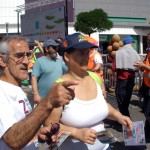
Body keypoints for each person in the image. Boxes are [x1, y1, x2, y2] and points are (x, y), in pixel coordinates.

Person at [44, 33, 132, 150]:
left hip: (105, 147)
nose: (86, 57)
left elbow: (101, 105)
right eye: (81, 53)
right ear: (67, 56)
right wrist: (76, 133)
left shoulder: (95, 77)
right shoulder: (60, 87)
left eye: (87, 53)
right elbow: (49, 125)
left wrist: (118, 115)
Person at [0, 35, 78, 150]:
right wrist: (48, 101)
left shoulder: (16, 88)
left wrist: (37, 134)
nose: (26, 61)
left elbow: (19, 129)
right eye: (19, 55)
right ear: (2, 60)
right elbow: (13, 140)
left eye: (28, 55)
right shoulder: (2, 91)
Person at [32, 39, 68, 104]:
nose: (56, 50)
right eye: (54, 47)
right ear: (46, 49)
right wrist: (36, 95)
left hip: (57, 99)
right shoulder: (39, 62)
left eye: (57, 48)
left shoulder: (59, 61)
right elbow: (34, 78)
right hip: (42, 100)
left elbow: (69, 71)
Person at [113, 36, 141, 118]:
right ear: (131, 43)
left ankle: (126, 119)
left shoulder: (118, 52)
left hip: (122, 80)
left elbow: (114, 68)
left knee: (121, 100)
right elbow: (139, 65)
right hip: (131, 79)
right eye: (133, 43)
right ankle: (125, 118)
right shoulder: (135, 52)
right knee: (126, 100)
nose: (133, 44)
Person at [134, 33, 150, 140]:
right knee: (147, 111)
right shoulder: (149, 51)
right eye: (147, 39)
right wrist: (142, 67)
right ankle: (146, 134)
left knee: (148, 112)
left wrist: (144, 66)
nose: (148, 41)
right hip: (147, 86)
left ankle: (146, 135)